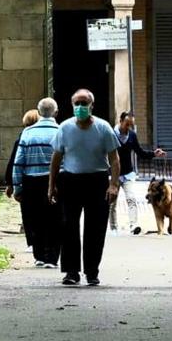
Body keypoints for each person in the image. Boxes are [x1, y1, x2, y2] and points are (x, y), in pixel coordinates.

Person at [48, 89, 120, 286]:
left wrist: (114, 185)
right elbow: (56, 158)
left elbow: (114, 159)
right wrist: (51, 185)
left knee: (95, 228)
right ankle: (71, 271)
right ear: (72, 106)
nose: (80, 107)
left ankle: (92, 271)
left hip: (97, 181)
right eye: (76, 103)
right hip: (70, 181)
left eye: (84, 103)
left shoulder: (104, 128)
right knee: (68, 226)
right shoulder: (64, 128)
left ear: (91, 106)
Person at [13, 99, 63, 269]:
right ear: (55, 113)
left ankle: (39, 255)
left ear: (39, 113)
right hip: (55, 180)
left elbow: (18, 161)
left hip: (31, 181)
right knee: (55, 219)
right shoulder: (61, 131)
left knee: (35, 218)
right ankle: (52, 257)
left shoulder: (27, 133)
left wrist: (17, 186)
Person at [110, 111, 165, 235]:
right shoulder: (111, 134)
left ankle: (133, 225)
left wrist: (154, 154)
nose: (129, 127)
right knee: (112, 201)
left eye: (131, 125)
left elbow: (139, 152)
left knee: (131, 198)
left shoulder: (132, 135)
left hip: (128, 173)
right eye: (127, 124)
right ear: (121, 121)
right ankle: (113, 228)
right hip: (114, 174)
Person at [5, 109, 41, 252]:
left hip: (26, 180)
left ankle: (32, 242)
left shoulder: (22, 138)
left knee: (27, 213)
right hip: (39, 179)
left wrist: (11, 183)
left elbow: (14, 162)